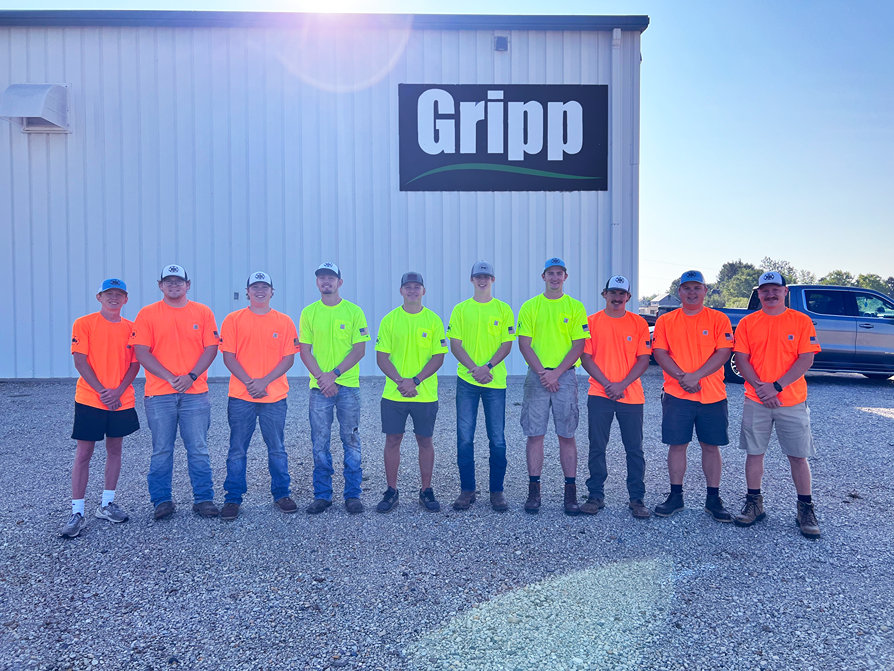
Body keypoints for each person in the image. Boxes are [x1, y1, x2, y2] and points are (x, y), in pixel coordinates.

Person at [731, 271, 822, 538]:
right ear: (758, 294)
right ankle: (754, 504)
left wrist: (776, 387)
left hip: (791, 399)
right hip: (755, 399)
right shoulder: (748, 323)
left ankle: (805, 508)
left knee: (797, 455)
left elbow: (805, 360)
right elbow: (742, 360)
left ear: (785, 292)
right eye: (764, 290)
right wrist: (762, 388)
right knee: (754, 453)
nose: (770, 295)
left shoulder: (801, 321)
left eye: (775, 290)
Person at [132, 264, 220, 520]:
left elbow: (211, 348)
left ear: (188, 284)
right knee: (161, 449)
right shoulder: (147, 314)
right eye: (168, 281)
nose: (174, 285)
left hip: (195, 393)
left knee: (199, 449)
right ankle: (162, 501)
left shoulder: (202, 312)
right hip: (159, 394)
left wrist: (190, 376)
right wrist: (171, 377)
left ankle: (203, 499)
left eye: (178, 281)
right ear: (160, 285)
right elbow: (141, 352)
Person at [60, 279, 141, 538]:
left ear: (126, 299)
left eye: (119, 294)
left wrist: (117, 392)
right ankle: (77, 511)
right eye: (109, 294)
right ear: (99, 297)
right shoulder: (84, 323)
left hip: (121, 400)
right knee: (84, 453)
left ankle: (106, 504)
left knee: (115, 450)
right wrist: (103, 392)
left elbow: (134, 364)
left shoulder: (132, 328)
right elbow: (80, 361)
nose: (114, 298)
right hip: (90, 399)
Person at [651, 270, 734, 522]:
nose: (691, 292)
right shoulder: (666, 320)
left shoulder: (719, 319)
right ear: (679, 292)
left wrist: (696, 376)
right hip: (677, 394)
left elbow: (723, 352)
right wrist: (682, 377)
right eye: (686, 288)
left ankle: (713, 498)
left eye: (697, 287)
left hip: (712, 395)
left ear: (705, 291)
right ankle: (676, 496)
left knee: (711, 446)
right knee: (677, 446)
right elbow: (660, 353)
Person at [218, 272, 300, 521]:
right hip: (241, 396)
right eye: (255, 287)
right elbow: (228, 356)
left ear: (272, 292)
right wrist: (250, 383)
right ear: (247, 292)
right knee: (237, 450)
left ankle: (282, 494)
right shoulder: (233, 320)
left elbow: (288, 358)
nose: (260, 291)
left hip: (274, 397)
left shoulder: (284, 321)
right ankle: (232, 498)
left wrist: (264, 382)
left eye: (265, 287)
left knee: (277, 449)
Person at [517, 257, 589, 515]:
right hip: (537, 377)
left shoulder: (575, 307)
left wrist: (556, 373)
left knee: (566, 435)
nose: (555, 278)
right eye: (551, 273)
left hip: (565, 377)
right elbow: (524, 343)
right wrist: (542, 373)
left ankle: (570, 494)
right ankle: (534, 492)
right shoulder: (530, 306)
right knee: (535, 434)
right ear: (543, 276)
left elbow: (579, 345)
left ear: (565, 277)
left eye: (559, 273)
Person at [299, 262, 370, 515]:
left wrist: (335, 375)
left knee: (351, 440)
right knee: (320, 442)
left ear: (340, 282)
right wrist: (322, 378)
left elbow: (359, 350)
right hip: (319, 388)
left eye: (331, 277)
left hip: (348, 386)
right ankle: (322, 495)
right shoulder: (309, 312)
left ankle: (352, 495)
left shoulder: (354, 312)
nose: (326, 281)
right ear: (317, 283)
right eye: (321, 278)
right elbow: (304, 350)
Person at [579, 275, 652, 519]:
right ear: (604, 294)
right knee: (597, 447)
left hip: (631, 395)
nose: (617, 298)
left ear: (628, 297)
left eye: (622, 294)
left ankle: (636, 498)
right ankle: (595, 495)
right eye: (613, 293)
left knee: (634, 449)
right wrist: (608, 384)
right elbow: (586, 358)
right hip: (600, 393)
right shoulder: (591, 322)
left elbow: (644, 359)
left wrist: (621, 384)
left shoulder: (638, 323)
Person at [374, 272, 448, 513]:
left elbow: (439, 356)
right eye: (408, 287)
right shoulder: (390, 320)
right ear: (401, 291)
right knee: (393, 440)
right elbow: (381, 356)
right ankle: (391, 490)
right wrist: (400, 381)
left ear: (423, 291)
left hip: (424, 393)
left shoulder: (433, 320)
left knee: (425, 441)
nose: (412, 291)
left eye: (417, 287)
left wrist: (415, 381)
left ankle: (426, 490)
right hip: (395, 394)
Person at [447, 261, 516, 512]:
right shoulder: (461, 310)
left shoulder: (503, 309)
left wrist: (486, 367)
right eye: (478, 276)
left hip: (495, 382)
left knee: (497, 439)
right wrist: (474, 370)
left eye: (486, 276)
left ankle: (497, 491)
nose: (482, 280)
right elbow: (455, 344)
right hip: (467, 382)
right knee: (465, 438)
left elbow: (507, 344)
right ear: (471, 280)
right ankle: (467, 490)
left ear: (493, 280)